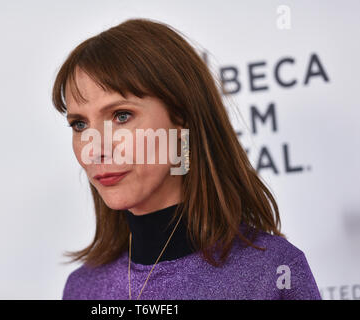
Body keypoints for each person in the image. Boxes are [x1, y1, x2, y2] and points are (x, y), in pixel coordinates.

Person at [52, 18, 321, 300]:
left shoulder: (273, 273)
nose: (94, 148)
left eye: (121, 116)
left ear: (181, 120)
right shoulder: (83, 289)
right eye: (79, 124)